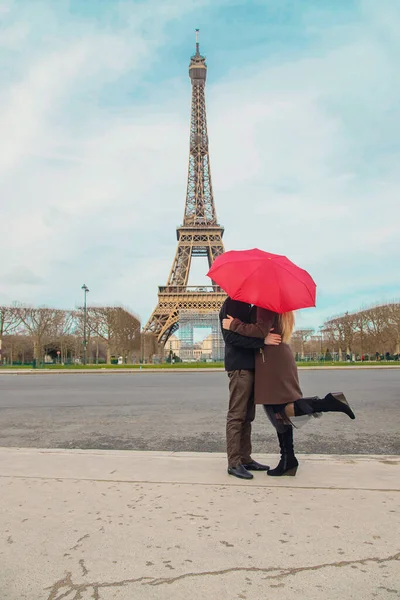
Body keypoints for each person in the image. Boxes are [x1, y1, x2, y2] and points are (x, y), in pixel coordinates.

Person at [222, 307, 355, 477]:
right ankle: (288, 460)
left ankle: (329, 402)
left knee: (281, 409)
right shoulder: (279, 306)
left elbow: (260, 330)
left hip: (273, 361)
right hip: (276, 358)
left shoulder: (265, 304)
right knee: (280, 411)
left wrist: (234, 324)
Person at [220, 298, 282, 480]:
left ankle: (245, 458)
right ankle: (234, 463)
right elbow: (230, 337)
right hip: (239, 367)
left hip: (250, 366)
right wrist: (262, 341)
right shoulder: (233, 303)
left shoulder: (246, 305)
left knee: (247, 416)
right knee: (237, 415)